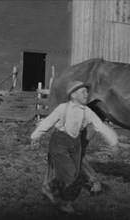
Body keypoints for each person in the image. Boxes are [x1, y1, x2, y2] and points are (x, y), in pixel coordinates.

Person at [30, 81, 120, 214]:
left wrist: (114, 142)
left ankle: (52, 191)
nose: (86, 94)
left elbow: (100, 126)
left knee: (75, 173)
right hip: (59, 142)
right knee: (70, 173)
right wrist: (35, 136)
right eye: (83, 91)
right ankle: (63, 201)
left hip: (75, 144)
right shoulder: (62, 108)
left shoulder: (87, 111)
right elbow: (48, 121)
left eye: (87, 91)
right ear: (73, 95)